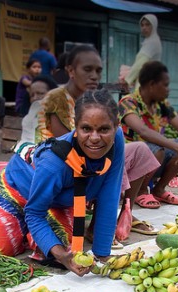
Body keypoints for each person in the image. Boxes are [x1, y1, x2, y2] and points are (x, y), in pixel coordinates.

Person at [0, 89, 125, 276]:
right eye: (86, 129)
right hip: (17, 190)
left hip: (56, 199)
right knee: (0, 251)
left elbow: (110, 194)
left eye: (104, 129)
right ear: (75, 127)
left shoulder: (117, 140)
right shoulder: (54, 163)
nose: (95, 138)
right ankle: (20, 226)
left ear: (116, 126)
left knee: (67, 248)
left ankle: (33, 234)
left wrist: (102, 255)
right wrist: (62, 256)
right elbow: (35, 212)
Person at [37, 45, 160, 241]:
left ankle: (122, 213)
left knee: (140, 150)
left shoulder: (97, 99)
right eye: (87, 70)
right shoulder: (57, 99)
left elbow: (108, 132)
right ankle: (96, 225)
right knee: (109, 167)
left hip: (90, 154)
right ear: (70, 71)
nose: (94, 76)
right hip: (62, 165)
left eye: (98, 71)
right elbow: (64, 147)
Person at [119, 61, 178, 207]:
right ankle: (141, 192)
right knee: (156, 149)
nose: (168, 90)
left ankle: (159, 189)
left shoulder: (162, 105)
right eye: (165, 85)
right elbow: (144, 131)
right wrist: (177, 148)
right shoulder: (128, 102)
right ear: (152, 84)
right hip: (129, 163)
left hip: (154, 161)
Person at [16, 74, 58, 149]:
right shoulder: (30, 118)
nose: (35, 98)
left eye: (40, 93)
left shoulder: (60, 118)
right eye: (32, 95)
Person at [123, 14, 162, 91]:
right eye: (142, 25)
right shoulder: (150, 40)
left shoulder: (152, 42)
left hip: (148, 81)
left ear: (153, 26)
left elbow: (139, 64)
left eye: (147, 25)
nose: (144, 28)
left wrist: (127, 80)